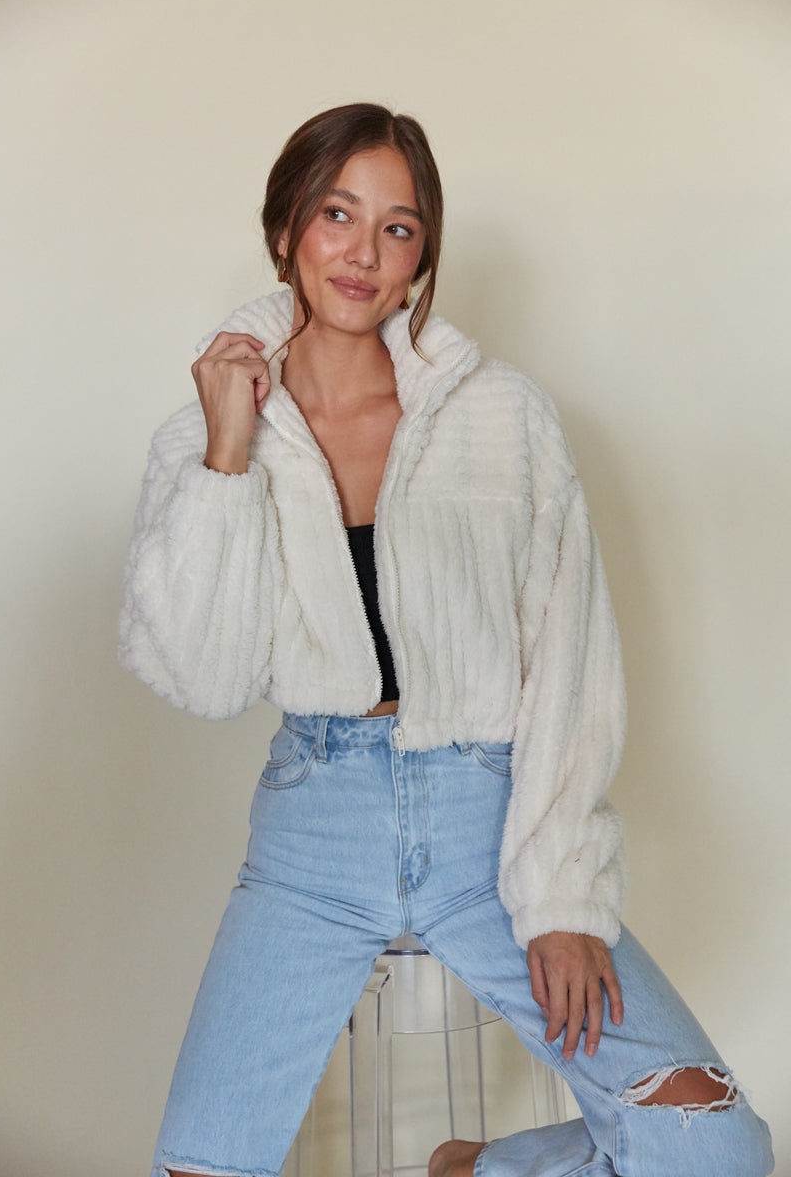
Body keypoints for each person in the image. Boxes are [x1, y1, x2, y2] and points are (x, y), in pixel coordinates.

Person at [120, 103, 773, 1177]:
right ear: (285, 228)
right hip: (313, 837)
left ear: (421, 258)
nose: (363, 253)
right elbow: (204, 676)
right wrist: (227, 455)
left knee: (715, 1149)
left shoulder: (502, 416)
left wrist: (562, 894)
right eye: (337, 214)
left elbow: (570, 663)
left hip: (490, 824)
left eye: (399, 228)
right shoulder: (205, 436)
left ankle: (475, 1168)